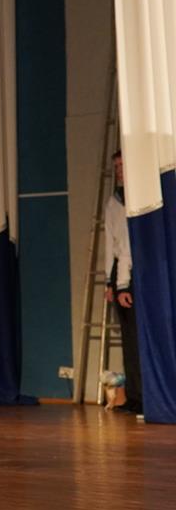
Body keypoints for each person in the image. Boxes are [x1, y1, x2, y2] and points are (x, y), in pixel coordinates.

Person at [104, 150, 143, 415]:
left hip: (135, 272)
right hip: (120, 271)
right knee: (129, 340)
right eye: (116, 166)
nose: (119, 170)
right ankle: (134, 395)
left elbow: (131, 245)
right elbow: (112, 244)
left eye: (122, 165)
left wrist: (124, 284)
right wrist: (110, 281)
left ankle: (147, 396)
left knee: (140, 338)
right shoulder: (114, 202)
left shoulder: (140, 200)